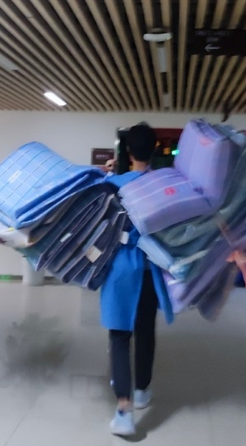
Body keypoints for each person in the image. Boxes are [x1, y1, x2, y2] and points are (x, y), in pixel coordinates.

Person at [101, 123, 173, 436]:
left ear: (128, 151)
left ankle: (123, 410)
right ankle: (142, 390)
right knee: (145, 331)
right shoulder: (163, 185)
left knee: (119, 336)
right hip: (149, 268)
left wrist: (108, 176)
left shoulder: (112, 185)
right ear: (154, 149)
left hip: (119, 269)